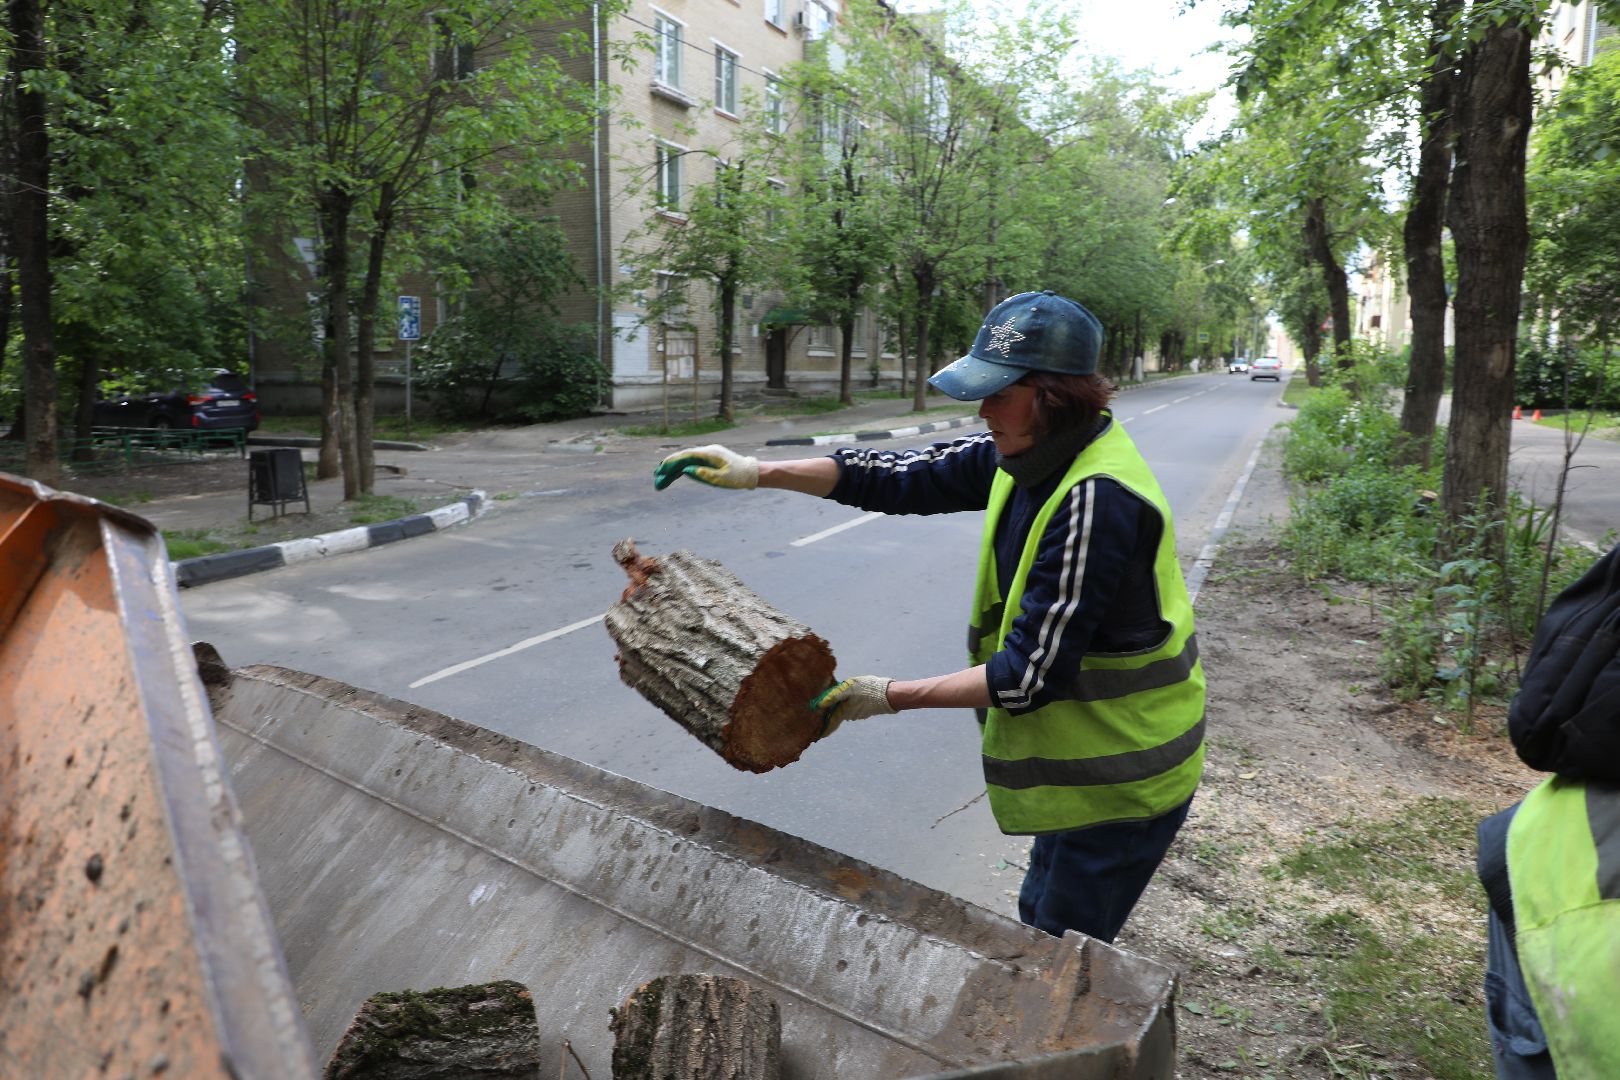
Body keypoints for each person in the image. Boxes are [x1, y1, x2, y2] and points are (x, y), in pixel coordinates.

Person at [653, 290, 1206, 944]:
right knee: (1041, 922)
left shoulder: (1096, 500)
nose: (983, 410)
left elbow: (1027, 676)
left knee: (1063, 958)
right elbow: (900, 476)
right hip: (1081, 765)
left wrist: (884, 695)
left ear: (1054, 398)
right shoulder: (1027, 452)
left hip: (1124, 778)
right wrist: (756, 471)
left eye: (1000, 394)